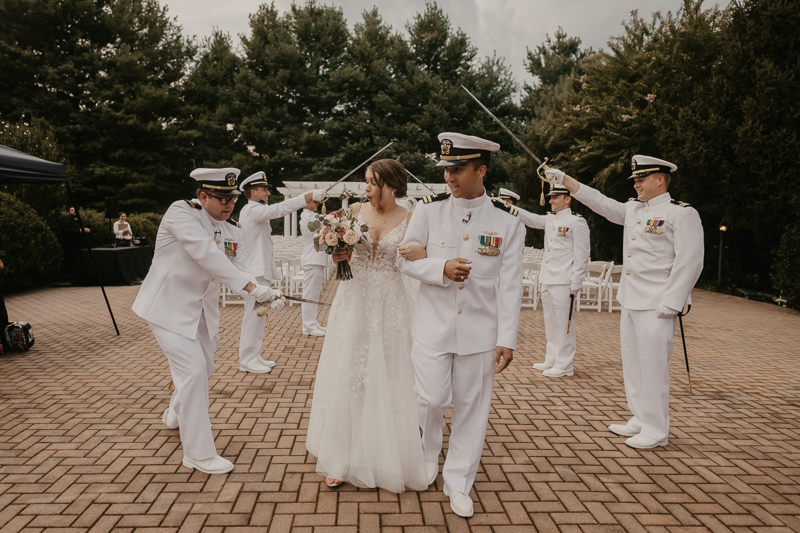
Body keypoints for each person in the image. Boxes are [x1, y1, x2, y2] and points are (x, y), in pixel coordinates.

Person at [396, 133, 524, 517]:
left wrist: (507, 337)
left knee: (472, 410)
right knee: (430, 398)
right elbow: (404, 260)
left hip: (481, 333)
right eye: (447, 169)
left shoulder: (507, 220)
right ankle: (427, 455)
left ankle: (459, 482)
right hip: (432, 326)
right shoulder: (428, 210)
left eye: (458, 169)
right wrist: (440, 268)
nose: (450, 176)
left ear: (481, 170)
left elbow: (511, 283)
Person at [132, 167, 283, 474]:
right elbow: (206, 254)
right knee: (194, 372)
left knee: (205, 368)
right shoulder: (181, 213)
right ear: (203, 196)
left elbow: (238, 267)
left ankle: (175, 414)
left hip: (202, 313)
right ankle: (198, 453)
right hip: (167, 308)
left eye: (232, 198)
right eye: (221, 198)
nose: (228, 204)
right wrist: (254, 288)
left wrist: (266, 294)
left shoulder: (231, 229)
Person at [547, 155, 704, 449]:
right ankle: (640, 416)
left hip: (658, 304)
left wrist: (672, 301)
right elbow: (602, 202)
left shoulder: (680, 214)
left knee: (653, 365)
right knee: (633, 363)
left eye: (641, 179)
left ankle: (656, 430)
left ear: (660, 179)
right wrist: (566, 180)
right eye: (635, 179)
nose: (636, 184)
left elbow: (691, 261)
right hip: (630, 299)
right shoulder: (633, 209)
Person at [306, 159, 430, 492]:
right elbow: (338, 252)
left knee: (387, 374)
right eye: (366, 181)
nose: (366, 188)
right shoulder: (356, 210)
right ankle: (340, 456)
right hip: (354, 301)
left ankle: (385, 453)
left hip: (390, 303)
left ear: (391, 186)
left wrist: (419, 252)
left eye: (372, 182)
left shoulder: (412, 217)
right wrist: (338, 255)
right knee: (348, 371)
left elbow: (422, 257)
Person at [237, 172, 325, 374]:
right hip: (254, 271)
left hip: (260, 270)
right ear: (253, 191)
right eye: (265, 189)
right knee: (253, 315)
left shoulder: (256, 210)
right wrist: (308, 196)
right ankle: (247, 359)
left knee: (259, 315)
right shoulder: (252, 209)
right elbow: (281, 209)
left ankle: (253, 355)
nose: (268, 192)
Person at [517, 184, 590, 377]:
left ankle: (565, 364)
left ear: (567, 199)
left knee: (564, 324)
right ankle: (552, 357)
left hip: (564, 280)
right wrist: (507, 207)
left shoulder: (576, 222)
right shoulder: (550, 220)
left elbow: (582, 254)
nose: (550, 200)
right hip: (548, 278)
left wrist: (577, 280)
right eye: (550, 197)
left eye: (555, 197)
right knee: (550, 322)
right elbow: (531, 219)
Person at [299, 202, 328, 336]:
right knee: (310, 294)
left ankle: (313, 322)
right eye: (313, 201)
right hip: (312, 258)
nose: (316, 203)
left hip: (315, 259)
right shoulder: (309, 217)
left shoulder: (312, 216)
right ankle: (308, 325)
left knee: (314, 293)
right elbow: (328, 225)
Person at [60, 206, 92, 278]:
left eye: (75, 210)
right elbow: (65, 231)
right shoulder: (65, 221)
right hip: (72, 246)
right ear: (69, 212)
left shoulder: (84, 221)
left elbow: (91, 228)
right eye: (72, 210)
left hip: (84, 245)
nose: (74, 211)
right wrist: (79, 230)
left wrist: (89, 230)